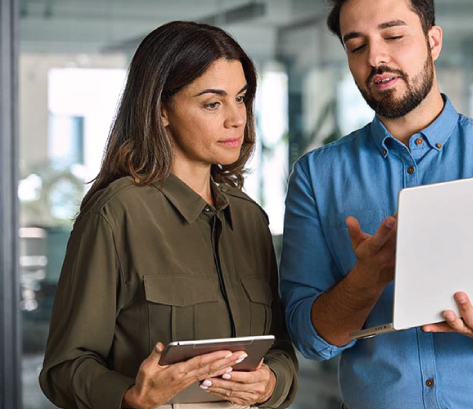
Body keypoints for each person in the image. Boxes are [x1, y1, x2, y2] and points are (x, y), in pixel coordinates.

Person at [278, 0, 473, 408]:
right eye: (357, 45)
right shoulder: (317, 176)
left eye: (393, 36)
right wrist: (367, 278)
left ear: (433, 41)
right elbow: (309, 338)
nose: (375, 57)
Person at [39, 21, 297, 409]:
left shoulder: (250, 219)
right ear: (161, 110)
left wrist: (272, 383)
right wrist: (132, 397)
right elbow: (63, 369)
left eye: (241, 98)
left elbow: (279, 349)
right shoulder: (116, 214)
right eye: (212, 103)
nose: (236, 118)